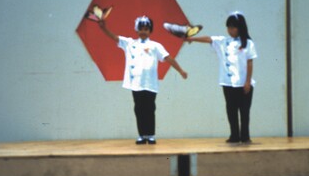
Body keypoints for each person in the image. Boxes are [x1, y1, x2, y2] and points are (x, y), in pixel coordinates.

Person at [99, 16, 187, 145]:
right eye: (141, 29)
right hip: (136, 84)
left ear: (150, 31)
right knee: (139, 109)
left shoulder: (155, 45)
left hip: (150, 83)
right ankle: (141, 135)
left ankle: (150, 135)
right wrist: (103, 27)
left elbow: (168, 58)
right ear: (137, 30)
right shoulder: (130, 43)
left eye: (146, 29)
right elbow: (114, 37)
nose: (143, 31)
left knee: (150, 109)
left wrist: (180, 70)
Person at [186, 12, 257, 144]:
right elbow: (209, 39)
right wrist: (192, 39)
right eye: (228, 27)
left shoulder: (248, 43)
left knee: (244, 111)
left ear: (240, 27)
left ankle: (245, 136)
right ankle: (234, 135)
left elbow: (250, 63)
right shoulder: (223, 41)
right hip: (227, 83)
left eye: (233, 27)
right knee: (231, 110)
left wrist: (247, 81)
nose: (230, 30)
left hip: (243, 84)